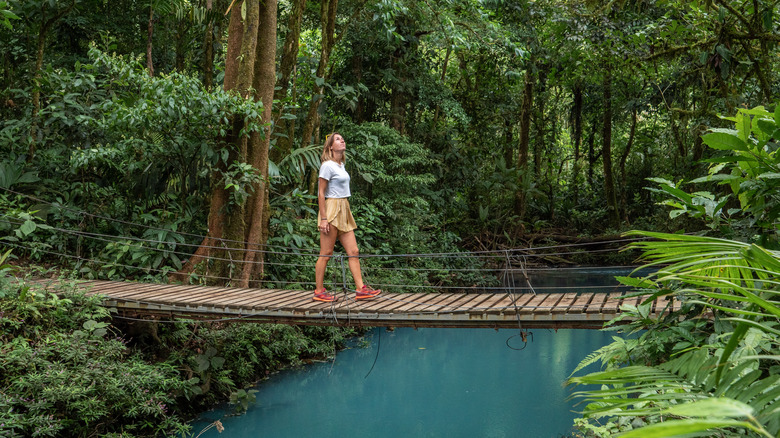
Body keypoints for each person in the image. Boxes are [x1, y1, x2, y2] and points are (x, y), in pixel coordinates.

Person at [313, 132, 382, 302]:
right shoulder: (327, 165)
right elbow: (321, 193)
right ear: (330, 146)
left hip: (344, 207)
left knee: (354, 251)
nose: (342, 140)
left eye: (342, 138)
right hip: (332, 208)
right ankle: (319, 291)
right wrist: (323, 218)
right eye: (338, 139)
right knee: (326, 252)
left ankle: (361, 289)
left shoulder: (340, 165)